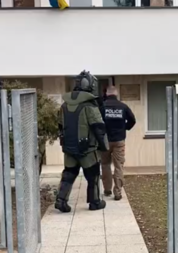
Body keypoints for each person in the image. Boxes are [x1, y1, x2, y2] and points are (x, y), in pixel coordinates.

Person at [54, 70, 109, 213]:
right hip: (88, 150)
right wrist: (104, 147)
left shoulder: (64, 106)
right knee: (93, 176)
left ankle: (61, 200)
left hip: (69, 149)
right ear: (89, 85)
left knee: (68, 175)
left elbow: (60, 126)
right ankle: (95, 202)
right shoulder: (90, 106)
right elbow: (99, 128)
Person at [101, 86, 136, 201]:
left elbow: (96, 122)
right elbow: (132, 120)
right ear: (116, 94)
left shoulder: (102, 107)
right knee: (118, 166)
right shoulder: (123, 106)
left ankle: (107, 190)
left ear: (106, 94)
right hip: (119, 140)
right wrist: (124, 128)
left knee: (105, 164)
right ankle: (117, 192)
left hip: (105, 140)